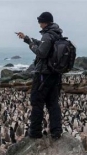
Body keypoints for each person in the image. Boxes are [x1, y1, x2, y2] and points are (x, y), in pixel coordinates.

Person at [16, 12, 63, 140]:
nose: (39, 24)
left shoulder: (47, 36)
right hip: (55, 75)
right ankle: (56, 131)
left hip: (43, 75)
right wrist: (27, 39)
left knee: (37, 102)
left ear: (45, 22)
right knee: (53, 103)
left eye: (40, 22)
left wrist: (31, 45)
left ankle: (35, 132)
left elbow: (41, 52)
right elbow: (44, 45)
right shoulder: (57, 34)